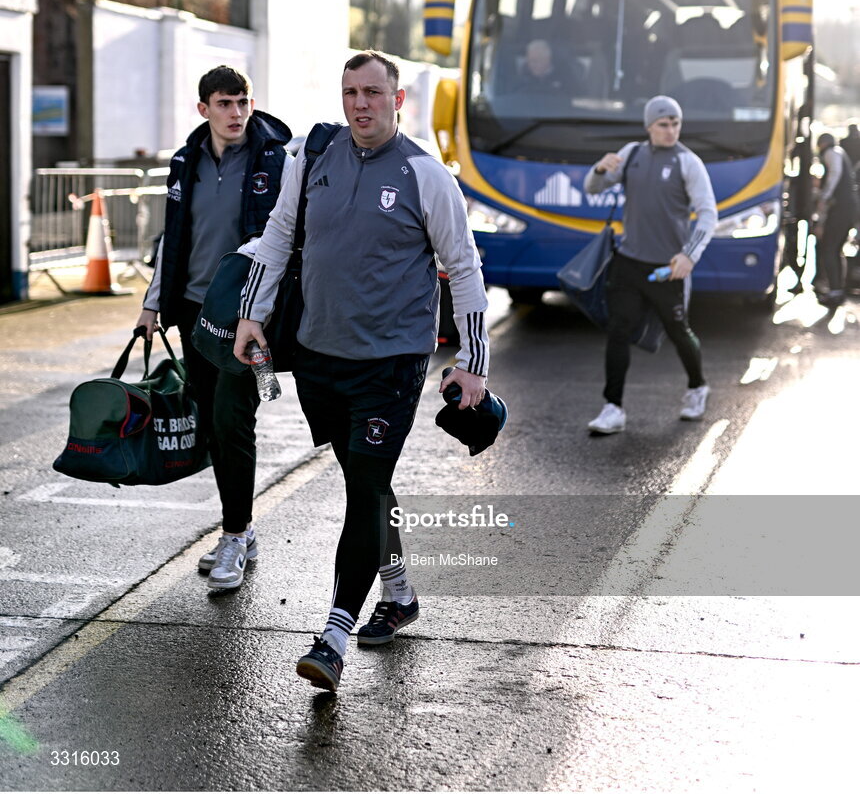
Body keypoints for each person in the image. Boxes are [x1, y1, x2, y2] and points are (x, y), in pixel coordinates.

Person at [233, 50, 490, 693]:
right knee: (363, 483)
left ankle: (335, 636)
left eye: (373, 92)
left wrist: (473, 362)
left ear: (397, 100)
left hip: (392, 362)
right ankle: (399, 593)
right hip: (319, 356)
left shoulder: (425, 175)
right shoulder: (311, 160)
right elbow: (277, 236)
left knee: (366, 487)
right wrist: (251, 317)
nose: (360, 104)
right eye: (350, 92)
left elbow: (463, 268)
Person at [136, 65, 292, 590]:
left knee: (232, 420)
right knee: (210, 423)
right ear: (203, 108)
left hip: (243, 318)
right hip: (191, 312)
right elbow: (173, 238)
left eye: (242, 102)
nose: (235, 113)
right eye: (224, 103)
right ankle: (240, 530)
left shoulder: (276, 158)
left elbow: (287, 238)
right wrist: (152, 305)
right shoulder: (186, 162)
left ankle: (234, 534)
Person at [584, 95, 718, 434]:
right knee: (618, 330)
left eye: (675, 124)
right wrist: (599, 169)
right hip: (629, 262)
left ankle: (697, 387)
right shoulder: (631, 154)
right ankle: (612, 407)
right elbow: (593, 188)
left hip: (668, 267)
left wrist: (689, 255)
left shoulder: (689, 163)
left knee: (678, 332)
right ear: (649, 127)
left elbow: (708, 214)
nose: (671, 130)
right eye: (663, 124)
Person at [813, 132, 859, 307]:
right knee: (836, 249)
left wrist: (824, 197)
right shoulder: (840, 152)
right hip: (848, 208)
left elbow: (834, 174)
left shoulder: (831, 153)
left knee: (829, 249)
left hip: (840, 209)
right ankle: (837, 290)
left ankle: (835, 292)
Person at [514, 38, 579, 94]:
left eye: (538, 61)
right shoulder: (523, 75)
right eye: (530, 60)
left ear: (548, 60)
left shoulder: (565, 76)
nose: (533, 65)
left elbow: (577, 97)